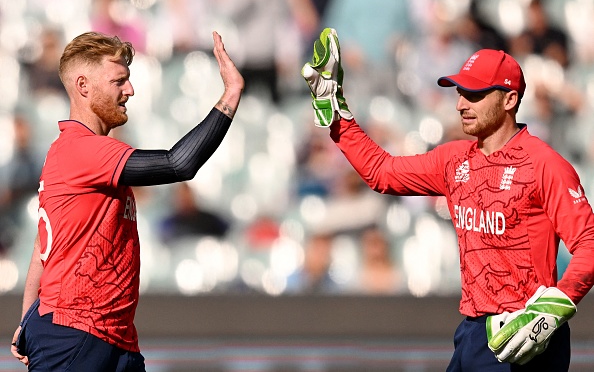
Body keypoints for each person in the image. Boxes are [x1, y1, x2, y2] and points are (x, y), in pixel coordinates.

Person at [301, 28, 594, 370]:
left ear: (509, 99)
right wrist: (337, 113)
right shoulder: (454, 159)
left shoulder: (545, 165)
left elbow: (589, 244)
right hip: (471, 333)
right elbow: (382, 173)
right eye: (460, 92)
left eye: (474, 94)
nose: (460, 104)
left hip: (524, 339)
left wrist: (552, 309)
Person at [10, 30, 244, 371]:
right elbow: (179, 163)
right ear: (84, 86)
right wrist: (231, 95)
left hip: (111, 337)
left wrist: (25, 319)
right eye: (119, 81)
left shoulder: (69, 152)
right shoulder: (84, 149)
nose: (130, 90)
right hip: (76, 335)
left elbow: (44, 245)